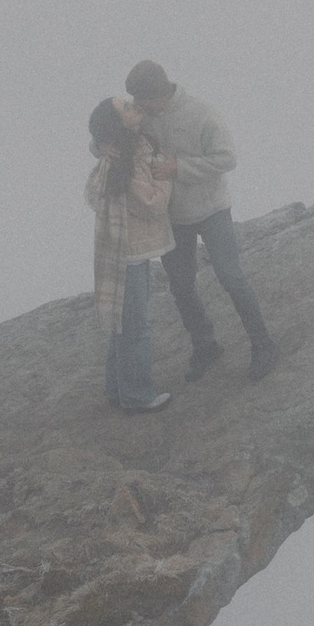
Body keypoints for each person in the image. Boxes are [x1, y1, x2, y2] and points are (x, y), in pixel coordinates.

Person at [124, 61, 278, 380]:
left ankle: (264, 345)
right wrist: (100, 146)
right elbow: (108, 131)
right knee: (180, 286)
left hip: (212, 211)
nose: (137, 107)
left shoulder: (201, 112)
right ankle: (205, 346)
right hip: (173, 216)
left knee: (230, 276)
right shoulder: (143, 116)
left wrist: (178, 168)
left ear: (157, 94)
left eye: (141, 100)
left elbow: (226, 159)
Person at [86, 95, 177, 412]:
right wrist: (165, 176)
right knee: (136, 326)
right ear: (118, 122)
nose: (133, 106)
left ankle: (116, 388)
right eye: (125, 107)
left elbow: (99, 138)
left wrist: (99, 143)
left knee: (122, 324)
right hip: (132, 250)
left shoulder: (118, 148)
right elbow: (152, 203)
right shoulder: (128, 153)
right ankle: (137, 397)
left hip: (118, 248)